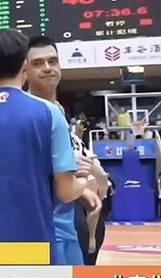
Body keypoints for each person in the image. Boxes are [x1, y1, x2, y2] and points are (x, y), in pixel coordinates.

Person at [0, 29, 89, 264]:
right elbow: (65, 191)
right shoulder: (49, 114)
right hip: (35, 249)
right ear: (25, 66)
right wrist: (85, 182)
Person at [25, 36, 109, 265]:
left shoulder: (59, 110)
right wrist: (77, 183)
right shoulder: (25, 112)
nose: (47, 68)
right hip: (46, 220)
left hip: (74, 214)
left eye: (52, 61)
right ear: (25, 70)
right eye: (38, 63)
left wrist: (91, 183)